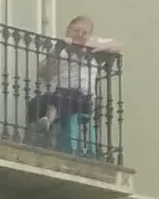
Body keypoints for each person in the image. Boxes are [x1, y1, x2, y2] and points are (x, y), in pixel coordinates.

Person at [30, 15, 117, 153]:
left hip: (82, 98)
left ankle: (49, 118)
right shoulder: (58, 50)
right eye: (76, 31)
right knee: (35, 103)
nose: (80, 35)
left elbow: (118, 46)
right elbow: (43, 72)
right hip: (54, 94)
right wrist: (59, 49)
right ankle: (37, 137)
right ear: (68, 32)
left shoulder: (93, 51)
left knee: (67, 96)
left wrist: (94, 45)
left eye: (84, 33)